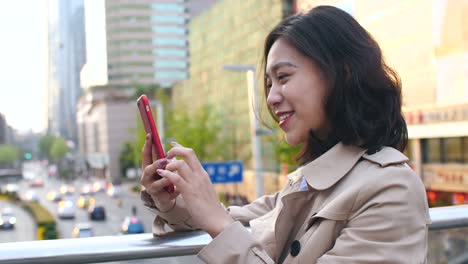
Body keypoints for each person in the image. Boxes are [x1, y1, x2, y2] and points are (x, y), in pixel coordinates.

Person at [140, 5, 431, 263]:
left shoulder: (392, 189)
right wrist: (172, 199)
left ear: (341, 72)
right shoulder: (307, 184)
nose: (271, 98)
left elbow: (222, 222)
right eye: (269, 84)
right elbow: (227, 217)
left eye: (284, 77)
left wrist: (218, 224)